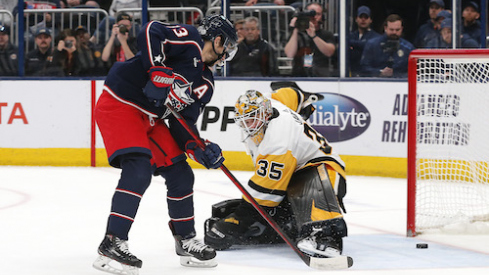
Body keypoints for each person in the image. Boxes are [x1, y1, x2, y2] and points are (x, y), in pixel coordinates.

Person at [92, 14, 238, 274]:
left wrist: (197, 147)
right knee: (138, 170)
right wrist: (156, 69)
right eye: (226, 45)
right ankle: (112, 242)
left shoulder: (205, 83)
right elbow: (151, 30)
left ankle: (186, 240)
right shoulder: (190, 39)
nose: (226, 53)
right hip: (121, 102)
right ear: (217, 39)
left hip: (152, 118)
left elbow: (184, 123)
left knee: (181, 174)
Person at [204, 83, 348, 259]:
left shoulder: (278, 140)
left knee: (305, 187)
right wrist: (303, 97)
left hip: (326, 172)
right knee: (280, 211)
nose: (247, 125)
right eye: (243, 120)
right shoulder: (270, 102)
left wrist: (238, 220)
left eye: (251, 119)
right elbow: (290, 94)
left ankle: (326, 236)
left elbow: (266, 194)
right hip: (292, 176)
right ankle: (287, 226)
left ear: (264, 113)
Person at [284, 2, 336, 77]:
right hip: (299, 75)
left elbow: (329, 52)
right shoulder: (298, 35)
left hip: (321, 75)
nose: (314, 17)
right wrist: (295, 29)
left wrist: (313, 36)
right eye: (311, 14)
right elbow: (289, 54)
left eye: (318, 14)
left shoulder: (327, 34)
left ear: (322, 16)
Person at [360, 14, 415, 78]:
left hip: (400, 84)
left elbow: (414, 71)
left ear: (402, 29)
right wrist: (380, 72)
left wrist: (396, 75)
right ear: (385, 28)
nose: (394, 32)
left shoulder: (408, 48)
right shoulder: (372, 45)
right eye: (391, 29)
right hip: (376, 83)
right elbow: (363, 68)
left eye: (397, 30)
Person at [349, 5, 380, 77]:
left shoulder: (376, 37)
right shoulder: (351, 36)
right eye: (361, 17)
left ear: (370, 20)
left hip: (369, 76)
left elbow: (367, 45)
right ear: (356, 19)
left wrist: (351, 43)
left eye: (366, 17)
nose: (363, 20)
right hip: (352, 75)